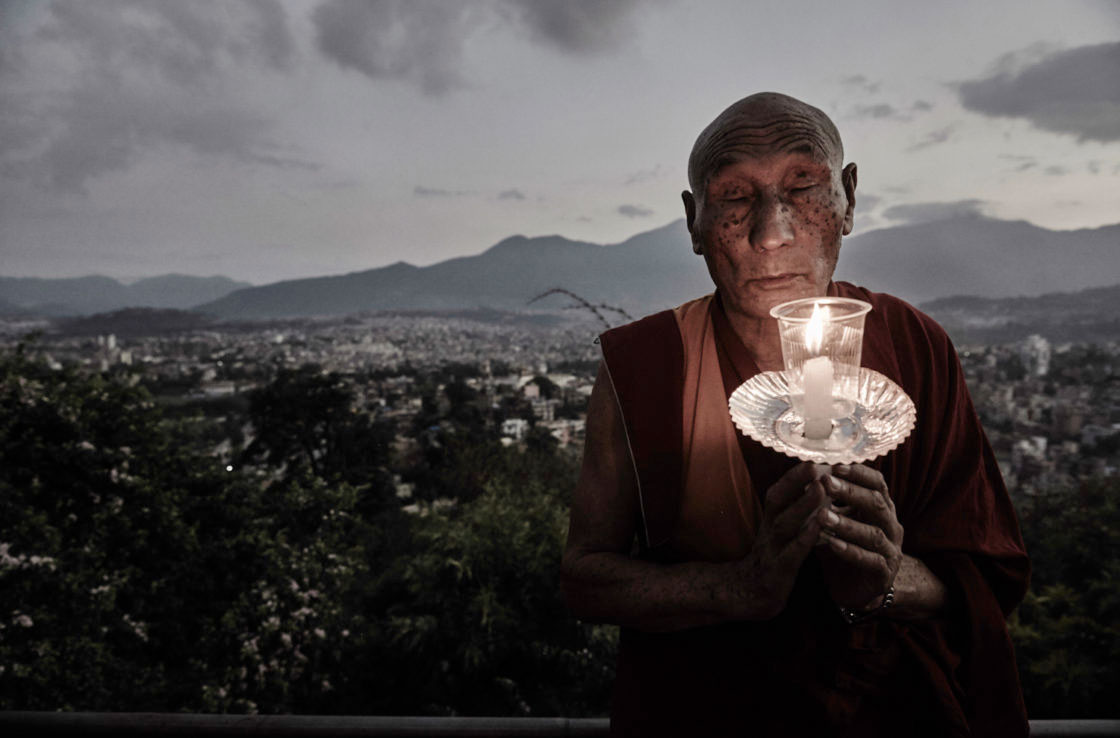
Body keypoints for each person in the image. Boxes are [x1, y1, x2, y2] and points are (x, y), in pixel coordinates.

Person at [560, 92, 1030, 737]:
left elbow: (984, 577)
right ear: (694, 223)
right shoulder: (643, 364)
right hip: (708, 715)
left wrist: (887, 579)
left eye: (805, 187)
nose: (772, 231)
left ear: (850, 200)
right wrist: (738, 589)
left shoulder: (915, 343)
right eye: (733, 197)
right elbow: (585, 580)